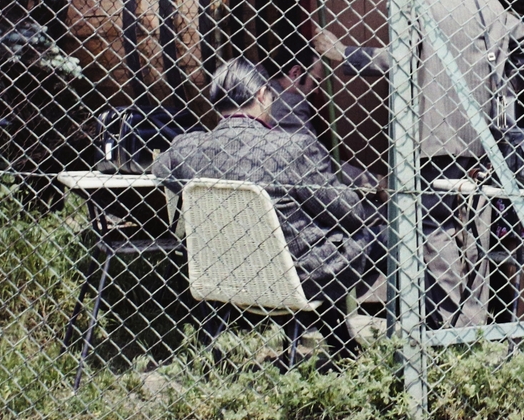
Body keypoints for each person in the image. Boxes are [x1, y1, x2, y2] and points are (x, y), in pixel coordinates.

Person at [315, 0, 524, 328]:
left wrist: (345, 55)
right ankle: (472, 323)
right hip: (482, 140)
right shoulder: (487, 6)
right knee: (477, 229)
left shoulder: (413, 4)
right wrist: (504, 83)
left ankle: (446, 320)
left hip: (430, 138)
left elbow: (398, 61)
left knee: (436, 229)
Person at [151, 59, 384, 364]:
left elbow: (159, 169)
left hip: (223, 273)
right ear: (262, 95)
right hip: (298, 275)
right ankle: (418, 334)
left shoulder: (187, 149)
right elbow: (349, 212)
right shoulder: (294, 149)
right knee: (380, 232)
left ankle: (340, 343)